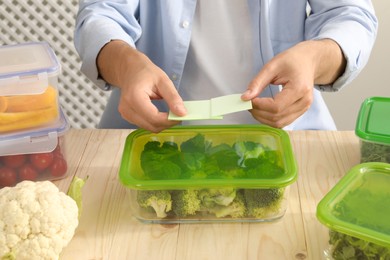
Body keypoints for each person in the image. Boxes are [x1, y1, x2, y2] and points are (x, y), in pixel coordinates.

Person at [74, 1, 378, 133]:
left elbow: (351, 15)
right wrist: (128, 66)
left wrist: (313, 59)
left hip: (290, 137)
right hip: (148, 138)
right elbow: (100, 15)